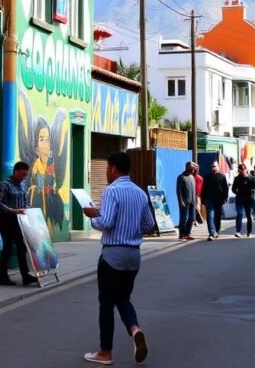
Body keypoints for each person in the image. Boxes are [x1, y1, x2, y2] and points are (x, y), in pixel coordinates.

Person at [82, 152, 155, 365]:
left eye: (106, 168)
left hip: (113, 254)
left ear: (113, 168)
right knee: (123, 298)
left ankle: (105, 352)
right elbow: (149, 224)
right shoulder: (140, 193)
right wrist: (132, 229)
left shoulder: (112, 190)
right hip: (134, 256)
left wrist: (92, 215)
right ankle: (135, 329)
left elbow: (106, 222)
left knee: (106, 303)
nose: (105, 172)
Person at [0, 162, 37, 287]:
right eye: (22, 175)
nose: (24, 177)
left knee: (22, 247)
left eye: (26, 175)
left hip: (18, 221)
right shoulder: (5, 185)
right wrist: (12, 210)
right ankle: (3, 277)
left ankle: (26, 276)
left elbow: (25, 202)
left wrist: (27, 211)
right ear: (16, 172)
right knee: (7, 247)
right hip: (5, 221)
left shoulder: (22, 185)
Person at [200, 160, 229, 240]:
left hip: (219, 200)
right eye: (212, 166)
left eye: (215, 166)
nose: (213, 168)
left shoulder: (222, 177)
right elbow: (204, 189)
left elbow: (225, 189)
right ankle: (211, 234)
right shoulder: (207, 177)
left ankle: (217, 230)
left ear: (218, 167)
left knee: (217, 216)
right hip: (209, 200)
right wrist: (203, 199)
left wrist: (225, 198)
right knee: (210, 216)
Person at [231, 164, 255, 237]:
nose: (243, 171)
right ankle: (238, 231)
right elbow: (233, 189)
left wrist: (253, 191)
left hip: (248, 199)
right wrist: (238, 192)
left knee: (248, 215)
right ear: (239, 171)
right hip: (239, 199)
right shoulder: (237, 179)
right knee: (239, 214)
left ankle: (249, 232)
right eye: (241, 170)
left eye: (244, 169)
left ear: (246, 169)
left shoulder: (252, 178)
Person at [175, 162, 197, 241]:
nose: (193, 171)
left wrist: (196, 201)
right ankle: (181, 234)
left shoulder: (192, 177)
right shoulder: (181, 177)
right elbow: (178, 191)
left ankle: (187, 233)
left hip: (192, 201)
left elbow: (195, 190)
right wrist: (181, 201)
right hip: (185, 202)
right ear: (187, 168)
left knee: (191, 218)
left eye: (194, 170)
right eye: (192, 169)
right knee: (184, 218)